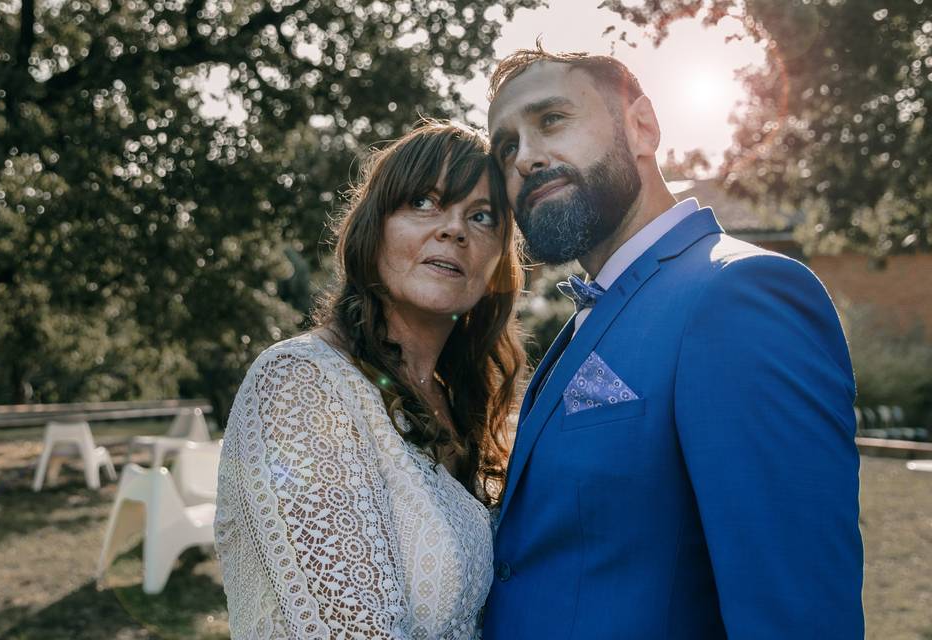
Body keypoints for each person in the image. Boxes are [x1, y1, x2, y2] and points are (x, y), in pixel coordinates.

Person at [482, 46, 864, 639]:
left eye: (551, 120)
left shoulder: (740, 295)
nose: (526, 158)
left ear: (642, 127)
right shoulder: (587, 319)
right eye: (507, 147)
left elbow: (797, 616)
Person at [214, 121, 526, 639]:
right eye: (424, 202)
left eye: (482, 216)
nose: (454, 229)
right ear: (374, 226)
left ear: (496, 263)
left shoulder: (456, 404)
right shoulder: (300, 384)